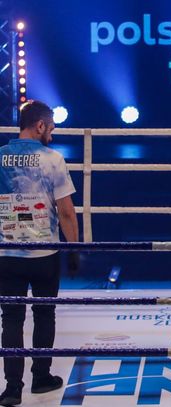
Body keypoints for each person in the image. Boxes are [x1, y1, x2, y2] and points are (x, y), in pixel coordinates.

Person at [0, 100, 79, 406]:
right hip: (45, 253)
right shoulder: (52, 159)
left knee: (11, 318)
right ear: (40, 125)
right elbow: (67, 212)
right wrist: (74, 249)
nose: (52, 134)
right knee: (44, 313)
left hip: (7, 252)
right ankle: (41, 377)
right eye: (51, 128)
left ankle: (12, 388)